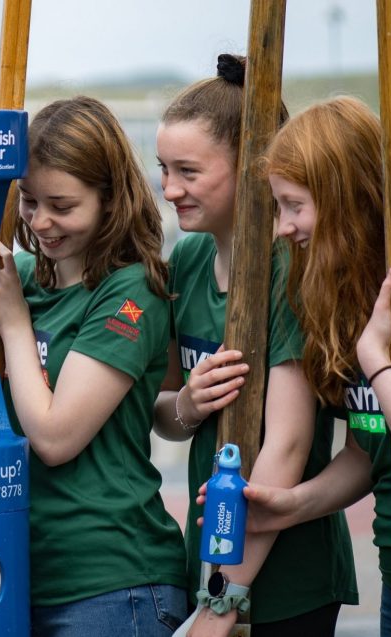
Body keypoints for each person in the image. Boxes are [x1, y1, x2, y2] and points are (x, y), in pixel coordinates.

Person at [153, 55, 357, 637]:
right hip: (210, 560)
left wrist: (225, 602)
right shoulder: (187, 261)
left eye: (189, 171)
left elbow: (287, 447)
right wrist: (188, 406)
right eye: (163, 168)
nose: (170, 189)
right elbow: (165, 413)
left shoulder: (290, 268)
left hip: (285, 576)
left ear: (251, 167)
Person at [0, 95, 187, 636]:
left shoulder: (131, 291)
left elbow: (56, 437)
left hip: (113, 583)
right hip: (23, 573)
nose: (42, 221)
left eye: (62, 204)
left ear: (109, 197)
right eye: (29, 201)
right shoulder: (18, 276)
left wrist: (14, 326)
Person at [241, 95, 391, 637]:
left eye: (294, 205)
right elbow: (367, 446)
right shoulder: (349, 296)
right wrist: (291, 505)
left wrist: (376, 363)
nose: (283, 227)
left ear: (346, 198)